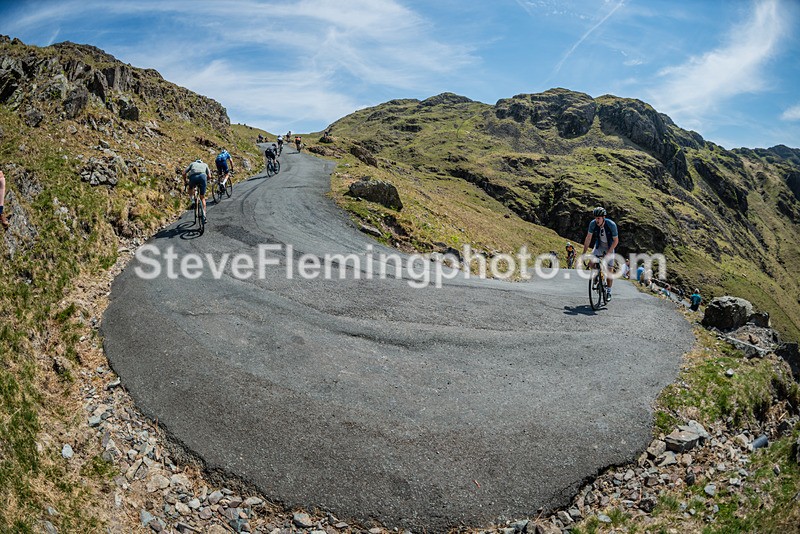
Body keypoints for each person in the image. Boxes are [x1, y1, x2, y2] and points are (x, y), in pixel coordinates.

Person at [582, 206, 619, 301]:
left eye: (598, 218)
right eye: (595, 218)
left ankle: (609, 291)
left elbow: (616, 241)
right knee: (591, 263)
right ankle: (597, 276)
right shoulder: (593, 224)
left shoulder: (611, 225)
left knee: (609, 271)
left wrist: (609, 253)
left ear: (603, 217)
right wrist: (584, 253)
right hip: (599, 246)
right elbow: (588, 238)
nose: (597, 220)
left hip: (610, 246)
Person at [183, 158, 212, 223]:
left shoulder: (192, 164)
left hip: (193, 177)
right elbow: (210, 176)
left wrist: (185, 181)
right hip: (203, 177)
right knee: (202, 197)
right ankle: (204, 215)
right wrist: (205, 181)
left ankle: (193, 200)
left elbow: (184, 173)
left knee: (190, 188)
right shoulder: (205, 164)